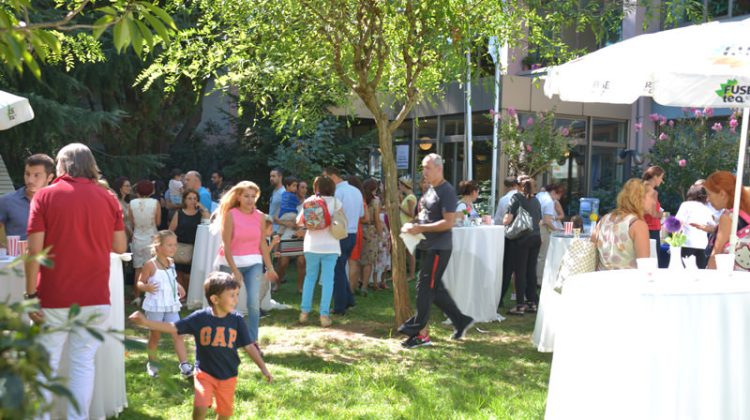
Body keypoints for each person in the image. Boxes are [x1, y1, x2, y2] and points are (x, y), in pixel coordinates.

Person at [25, 143, 127, 420]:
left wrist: (30, 295)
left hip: (54, 296)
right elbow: (120, 246)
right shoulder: (108, 197)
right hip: (95, 296)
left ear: (61, 165)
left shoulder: (45, 196)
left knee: (45, 364)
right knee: (83, 365)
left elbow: (34, 253)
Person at [129, 272, 272, 420]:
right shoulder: (200, 318)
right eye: (232, 295)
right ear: (215, 299)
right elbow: (174, 327)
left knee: (224, 413)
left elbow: (249, 346)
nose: (236, 300)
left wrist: (263, 368)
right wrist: (146, 322)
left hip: (228, 375)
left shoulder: (237, 320)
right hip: (204, 373)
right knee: (200, 406)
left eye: (237, 294)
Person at [399, 153, 474, 348]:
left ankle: (418, 332)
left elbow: (448, 222)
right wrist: (413, 224)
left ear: (439, 169)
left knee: (425, 288)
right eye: (423, 168)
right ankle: (461, 320)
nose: (424, 172)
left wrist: (420, 228)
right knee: (435, 289)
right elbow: (427, 216)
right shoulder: (431, 189)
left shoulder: (446, 191)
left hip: (439, 248)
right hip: (428, 245)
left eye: (428, 168)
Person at [213, 181, 278, 346]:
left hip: (253, 263)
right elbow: (226, 245)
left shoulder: (261, 216)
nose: (250, 200)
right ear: (238, 197)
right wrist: (235, 270)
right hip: (230, 262)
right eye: (246, 196)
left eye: (253, 196)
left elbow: (262, 244)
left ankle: (252, 340)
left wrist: (270, 267)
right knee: (227, 302)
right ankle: (225, 336)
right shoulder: (231, 215)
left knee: (253, 303)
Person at [136, 230, 193, 378]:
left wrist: (178, 286)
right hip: (156, 305)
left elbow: (170, 278)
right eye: (169, 245)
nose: (174, 248)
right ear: (158, 246)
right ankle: (152, 364)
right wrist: (146, 287)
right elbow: (140, 282)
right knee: (155, 336)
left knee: (178, 332)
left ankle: (185, 365)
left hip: (170, 304)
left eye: (175, 244)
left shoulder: (171, 262)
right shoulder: (150, 265)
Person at [297, 176, 342, 327]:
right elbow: (342, 221)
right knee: (328, 280)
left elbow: (299, 221)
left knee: (310, 278)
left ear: (316, 188)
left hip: (312, 245)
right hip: (331, 246)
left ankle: (304, 313)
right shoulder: (336, 202)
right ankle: (324, 315)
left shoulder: (310, 201)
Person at [322, 167, 364, 315]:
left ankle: (339, 307)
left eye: (325, 177)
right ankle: (349, 300)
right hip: (353, 233)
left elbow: (332, 214)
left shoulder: (338, 192)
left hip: (340, 234)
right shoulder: (356, 191)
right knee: (339, 268)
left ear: (333, 176)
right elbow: (361, 214)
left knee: (337, 271)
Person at [591, 178, 653, 270]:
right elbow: (644, 265)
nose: (654, 201)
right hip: (627, 278)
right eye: (651, 197)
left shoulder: (604, 220)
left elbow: (592, 252)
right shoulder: (637, 225)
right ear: (640, 198)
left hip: (601, 277)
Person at [503, 176, 543, 315]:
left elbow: (507, 219)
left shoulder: (516, 198)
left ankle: (520, 305)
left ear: (519, 185)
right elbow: (539, 220)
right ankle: (532, 303)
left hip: (522, 238)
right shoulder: (536, 200)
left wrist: (504, 219)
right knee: (531, 271)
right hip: (536, 237)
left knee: (520, 272)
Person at [0, 153, 55, 243]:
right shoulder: (6, 201)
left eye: (36, 175)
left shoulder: (58, 202)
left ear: (49, 177)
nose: (30, 180)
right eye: (27, 174)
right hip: (17, 252)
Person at [704, 171, 750, 269]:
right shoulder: (744, 212)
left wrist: (708, 273)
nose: (707, 199)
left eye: (709, 194)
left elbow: (716, 253)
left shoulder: (728, 217)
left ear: (722, 194)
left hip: (730, 275)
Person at [169, 189, 210, 293]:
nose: (192, 201)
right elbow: (171, 230)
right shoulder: (179, 213)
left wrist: (203, 208)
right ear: (185, 200)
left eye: (195, 198)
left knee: (189, 274)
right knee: (179, 273)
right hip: (180, 247)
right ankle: (180, 295)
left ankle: (188, 293)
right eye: (189, 198)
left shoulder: (200, 214)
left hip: (195, 248)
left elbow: (208, 221)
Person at [130, 180, 162, 305]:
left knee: (138, 268)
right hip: (151, 237)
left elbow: (132, 222)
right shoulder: (155, 203)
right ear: (152, 191)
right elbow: (158, 222)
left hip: (137, 237)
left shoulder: (132, 203)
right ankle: (152, 295)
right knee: (153, 268)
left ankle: (137, 296)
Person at [675, 184, 715, 269]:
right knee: (700, 272)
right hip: (702, 245)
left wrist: (675, 241)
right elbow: (713, 226)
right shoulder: (706, 208)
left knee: (685, 271)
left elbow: (678, 223)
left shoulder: (686, 205)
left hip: (687, 244)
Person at [356, 178, 382, 295]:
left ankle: (358, 282)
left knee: (358, 259)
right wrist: (381, 235)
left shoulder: (359, 199)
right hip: (370, 232)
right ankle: (364, 287)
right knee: (368, 261)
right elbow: (377, 220)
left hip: (359, 230)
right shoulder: (375, 201)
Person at [536, 183, 565, 281]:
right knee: (542, 255)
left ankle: (534, 278)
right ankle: (539, 280)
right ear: (553, 192)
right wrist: (556, 229)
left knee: (536, 255)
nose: (559, 198)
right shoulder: (549, 202)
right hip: (542, 228)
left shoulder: (540, 195)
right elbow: (547, 221)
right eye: (559, 195)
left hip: (535, 226)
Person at [642, 166, 667, 268]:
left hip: (650, 229)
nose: (662, 181)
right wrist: (661, 214)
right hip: (649, 230)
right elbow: (646, 210)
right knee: (651, 262)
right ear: (655, 177)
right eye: (661, 177)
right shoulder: (648, 190)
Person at [398, 175, 417, 280]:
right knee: (407, 251)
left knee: (410, 252)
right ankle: (407, 273)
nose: (399, 187)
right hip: (405, 225)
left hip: (408, 225)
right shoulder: (408, 197)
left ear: (404, 185)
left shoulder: (410, 198)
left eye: (400, 185)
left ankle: (412, 275)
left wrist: (400, 206)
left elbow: (411, 214)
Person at [113, 176, 134, 241]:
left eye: (130, 186)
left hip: (128, 236)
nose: (129, 188)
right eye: (127, 186)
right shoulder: (116, 201)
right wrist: (130, 232)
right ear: (120, 187)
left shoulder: (126, 202)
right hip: (120, 236)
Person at [269, 167, 286, 234]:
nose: (271, 178)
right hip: (271, 230)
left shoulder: (283, 193)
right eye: (270, 176)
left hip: (278, 231)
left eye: (273, 176)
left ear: (280, 177)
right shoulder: (274, 191)